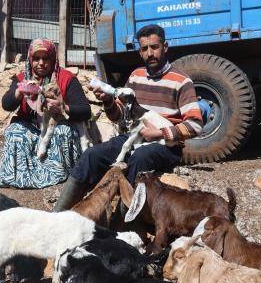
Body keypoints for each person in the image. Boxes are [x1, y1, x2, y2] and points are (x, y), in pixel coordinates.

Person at [54, 24, 203, 211]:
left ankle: (124, 217)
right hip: (133, 137)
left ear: (165, 47)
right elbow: (118, 116)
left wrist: (160, 133)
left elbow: (196, 125)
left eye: (154, 47)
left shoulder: (181, 81)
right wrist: (108, 101)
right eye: (144, 49)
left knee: (139, 158)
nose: (150, 53)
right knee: (91, 155)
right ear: (140, 52)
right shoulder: (135, 76)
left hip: (166, 145)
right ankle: (58, 215)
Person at [0, 38, 91, 189]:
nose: (41, 63)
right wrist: (19, 91)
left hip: (55, 127)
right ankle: (18, 178)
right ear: (30, 59)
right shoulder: (22, 78)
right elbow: (6, 105)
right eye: (36, 58)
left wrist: (64, 107)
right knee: (14, 132)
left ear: (53, 59)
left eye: (45, 58)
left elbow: (85, 111)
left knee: (63, 132)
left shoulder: (66, 79)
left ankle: (58, 178)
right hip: (31, 128)